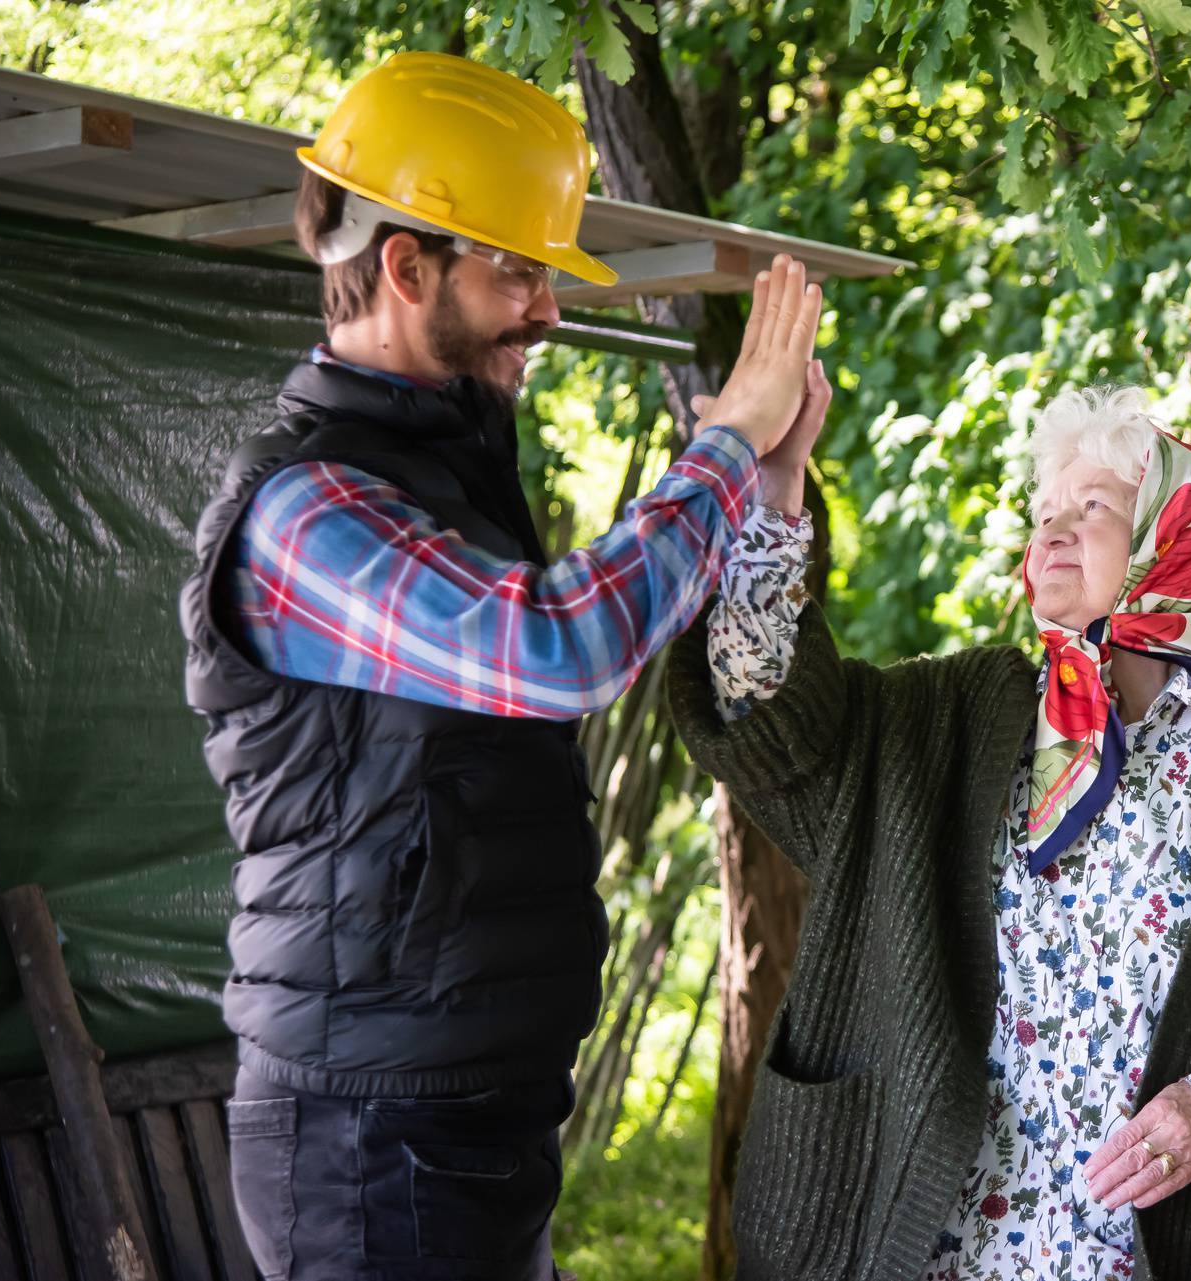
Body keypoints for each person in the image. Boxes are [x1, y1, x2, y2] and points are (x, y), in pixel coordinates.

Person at [178, 50, 822, 1281]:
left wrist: (771, 487)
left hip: (462, 1114)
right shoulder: (307, 511)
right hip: (370, 1131)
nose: (547, 307)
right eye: (518, 269)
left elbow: (687, 647)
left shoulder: (450, 480)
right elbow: (565, 647)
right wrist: (728, 437)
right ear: (406, 267)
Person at [668, 383, 1191, 1281]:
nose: (1051, 529)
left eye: (1094, 508)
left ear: (1176, 537)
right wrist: (772, 491)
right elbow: (769, 713)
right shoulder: (948, 714)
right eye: (1043, 511)